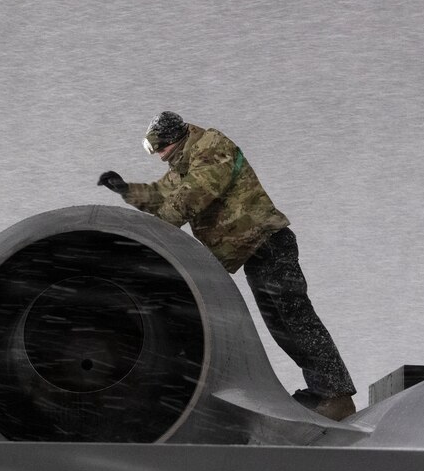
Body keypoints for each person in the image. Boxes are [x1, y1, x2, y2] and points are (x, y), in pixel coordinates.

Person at [97, 111, 357, 420]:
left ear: (174, 140)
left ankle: (336, 395)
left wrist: (151, 236)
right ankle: (323, 392)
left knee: (296, 319)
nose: (161, 157)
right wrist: (125, 189)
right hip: (254, 254)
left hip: (269, 242)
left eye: (161, 149)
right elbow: (160, 194)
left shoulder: (211, 147)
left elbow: (190, 199)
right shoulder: (183, 164)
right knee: (282, 327)